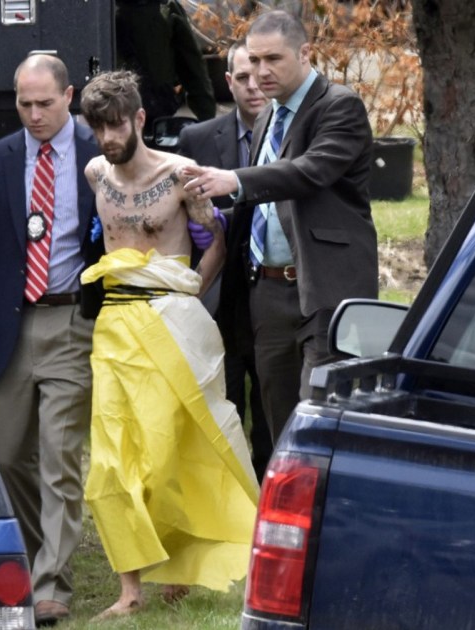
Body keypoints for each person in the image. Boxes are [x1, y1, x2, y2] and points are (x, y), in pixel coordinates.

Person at [78, 70, 259, 621]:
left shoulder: (181, 175)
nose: (108, 138)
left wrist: (190, 292)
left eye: (115, 125)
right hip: (114, 324)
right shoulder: (95, 173)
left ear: (137, 119)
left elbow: (219, 243)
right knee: (111, 461)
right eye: (98, 128)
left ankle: (182, 560)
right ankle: (130, 589)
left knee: (163, 455)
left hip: (170, 320)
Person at [0, 53, 104, 626]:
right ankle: (38, 560)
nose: (33, 114)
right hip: (7, 323)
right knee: (10, 456)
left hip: (72, 321)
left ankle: (52, 584)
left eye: (44, 103)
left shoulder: (96, 157)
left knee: (60, 456)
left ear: (69, 96)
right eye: (23, 103)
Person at [183, 10, 379, 444]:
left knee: (319, 428)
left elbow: (308, 172)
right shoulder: (267, 118)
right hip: (267, 293)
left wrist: (235, 180)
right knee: (280, 429)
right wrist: (212, 218)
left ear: (305, 53)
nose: (260, 72)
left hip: (325, 289)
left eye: (273, 59)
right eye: (253, 61)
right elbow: (267, 211)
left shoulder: (339, 105)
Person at [177, 40, 271, 482]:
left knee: (271, 416)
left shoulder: (291, 135)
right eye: (243, 77)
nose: (255, 86)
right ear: (228, 82)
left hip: (274, 294)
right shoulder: (197, 139)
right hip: (218, 300)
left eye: (261, 74)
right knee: (225, 407)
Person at [114, 0, 216, 134]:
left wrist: (208, 122)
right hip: (112, 109)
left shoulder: (166, 8)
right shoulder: (98, 9)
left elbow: (192, 67)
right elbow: (192, 67)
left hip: (154, 110)